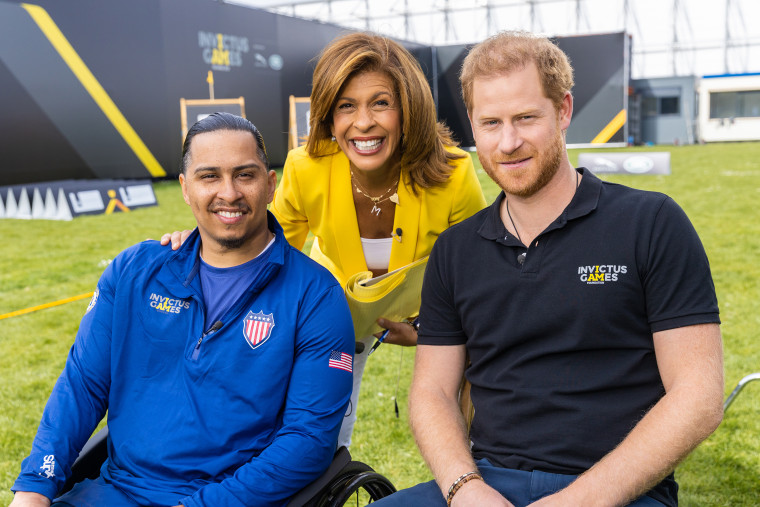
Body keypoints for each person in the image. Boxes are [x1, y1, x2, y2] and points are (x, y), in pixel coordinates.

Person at [374, 31, 724, 507]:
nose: (509, 141)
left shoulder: (652, 223)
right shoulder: (455, 251)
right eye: (490, 123)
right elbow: (433, 392)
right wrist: (465, 488)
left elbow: (698, 398)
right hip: (489, 485)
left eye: (525, 118)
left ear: (563, 111)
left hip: (617, 491)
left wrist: (579, 500)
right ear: (473, 128)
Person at [10, 113, 355, 507]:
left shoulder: (316, 294)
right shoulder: (133, 271)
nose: (229, 192)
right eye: (209, 177)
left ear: (270, 184)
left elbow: (307, 442)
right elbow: (82, 387)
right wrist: (35, 486)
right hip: (115, 492)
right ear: (185, 189)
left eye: (245, 175)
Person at [164, 32, 486, 447]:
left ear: (409, 109)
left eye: (381, 103)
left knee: (471, 419)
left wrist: (432, 328)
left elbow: (481, 275)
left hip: (422, 315)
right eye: (345, 106)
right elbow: (259, 248)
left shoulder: (453, 174)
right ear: (329, 117)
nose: (363, 122)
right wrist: (202, 242)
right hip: (335, 315)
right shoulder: (306, 168)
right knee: (325, 436)